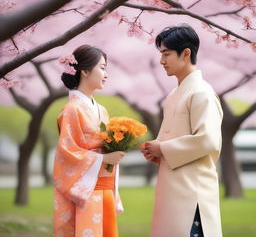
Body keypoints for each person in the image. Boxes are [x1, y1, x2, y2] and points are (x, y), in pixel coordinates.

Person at [141, 25, 223, 237]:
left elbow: (208, 140)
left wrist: (163, 148)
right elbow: (169, 137)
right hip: (172, 185)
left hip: (192, 191)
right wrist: (155, 149)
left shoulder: (201, 92)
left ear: (186, 53)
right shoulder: (174, 95)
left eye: (166, 54)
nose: (161, 61)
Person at [54, 45, 125, 237]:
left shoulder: (102, 110)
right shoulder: (72, 109)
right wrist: (103, 159)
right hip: (84, 193)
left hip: (105, 188)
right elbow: (66, 152)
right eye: (102, 68)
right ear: (84, 71)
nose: (106, 74)